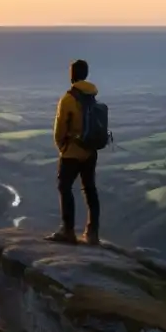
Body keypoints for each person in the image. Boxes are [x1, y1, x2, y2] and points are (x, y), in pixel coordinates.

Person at [47, 58, 100, 245]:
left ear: (72, 75)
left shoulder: (68, 99)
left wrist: (61, 146)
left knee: (64, 187)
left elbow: (60, 128)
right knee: (90, 188)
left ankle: (67, 231)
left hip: (72, 152)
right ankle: (92, 233)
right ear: (85, 75)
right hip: (91, 151)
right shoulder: (92, 96)